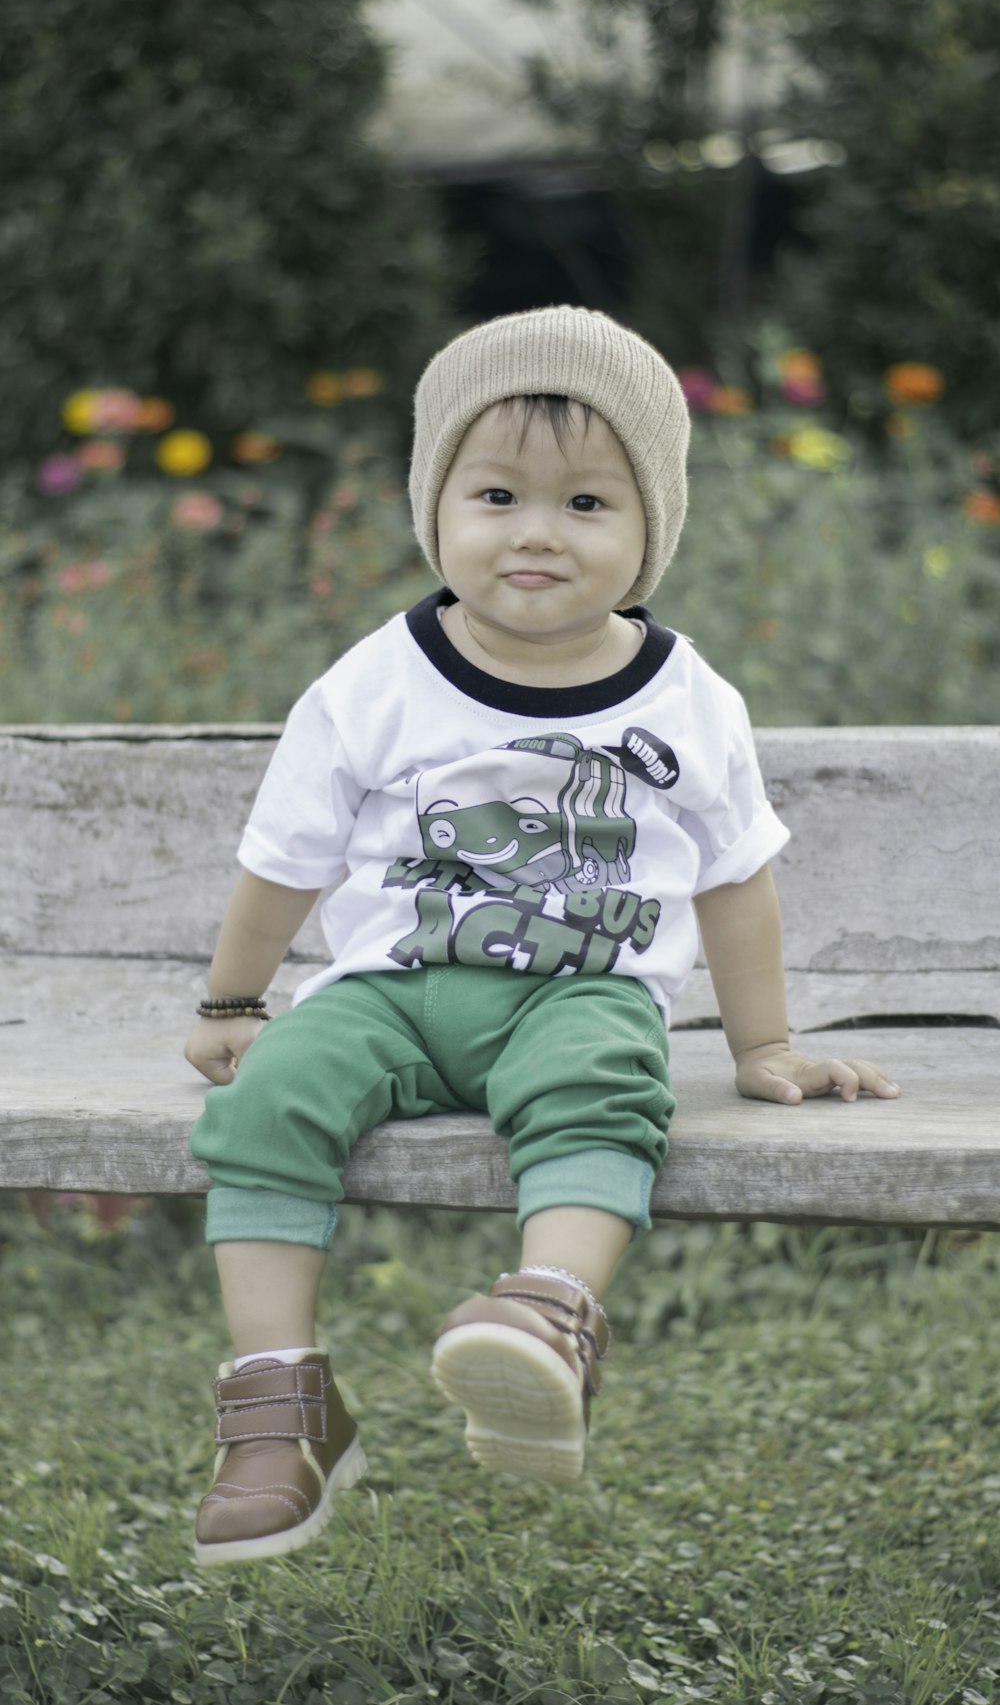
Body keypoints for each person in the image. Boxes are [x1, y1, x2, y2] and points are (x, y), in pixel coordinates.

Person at [184, 305, 900, 1568]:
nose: (534, 532)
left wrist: (765, 1043)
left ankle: (548, 1318)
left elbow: (735, 878)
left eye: (585, 505)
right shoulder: (372, 684)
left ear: (650, 529)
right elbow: (281, 861)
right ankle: (278, 1407)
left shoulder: (686, 697)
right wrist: (239, 1005)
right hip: (391, 991)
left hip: (579, 996)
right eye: (498, 492)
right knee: (268, 1104)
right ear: (436, 505)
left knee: (602, 1086)